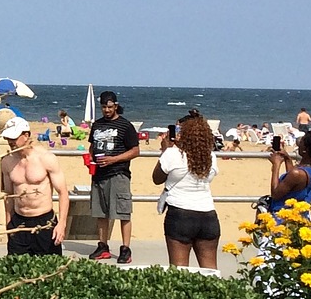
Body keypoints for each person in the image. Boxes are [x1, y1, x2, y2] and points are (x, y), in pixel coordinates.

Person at [153, 112, 220, 270]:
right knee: (210, 271)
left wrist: (165, 150)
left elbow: (157, 178)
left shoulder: (172, 154)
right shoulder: (210, 156)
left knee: (180, 272)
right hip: (208, 214)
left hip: (180, 214)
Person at [0, 117, 68, 255]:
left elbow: (63, 193)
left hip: (44, 220)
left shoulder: (46, 158)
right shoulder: (7, 162)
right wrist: (9, 224)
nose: (10, 142)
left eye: (14, 137)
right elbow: (9, 195)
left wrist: (62, 224)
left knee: (49, 269)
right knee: (16, 270)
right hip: (19, 221)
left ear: (26, 135)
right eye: (8, 138)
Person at [87, 90, 140, 263]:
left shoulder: (126, 126)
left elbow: (135, 151)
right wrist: (90, 160)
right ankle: (103, 246)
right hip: (99, 175)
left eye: (109, 107)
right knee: (100, 213)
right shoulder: (97, 125)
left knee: (123, 212)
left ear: (115, 106)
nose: (107, 110)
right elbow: (92, 147)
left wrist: (114, 159)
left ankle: (126, 249)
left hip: (118, 174)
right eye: (104, 107)